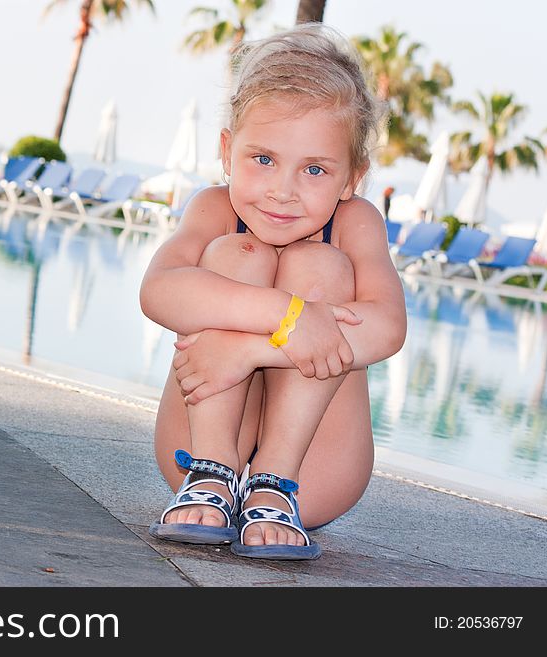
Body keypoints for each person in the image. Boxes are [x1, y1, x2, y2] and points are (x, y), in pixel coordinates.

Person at [139, 23, 407, 560]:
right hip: (194, 451)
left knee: (320, 265)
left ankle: (272, 484)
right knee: (235, 255)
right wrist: (285, 314)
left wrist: (250, 346)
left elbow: (388, 328)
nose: (283, 191)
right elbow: (158, 291)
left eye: (314, 169)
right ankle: (213, 476)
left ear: (352, 177)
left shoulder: (356, 222)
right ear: (226, 150)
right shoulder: (214, 208)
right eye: (262, 160)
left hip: (315, 471)